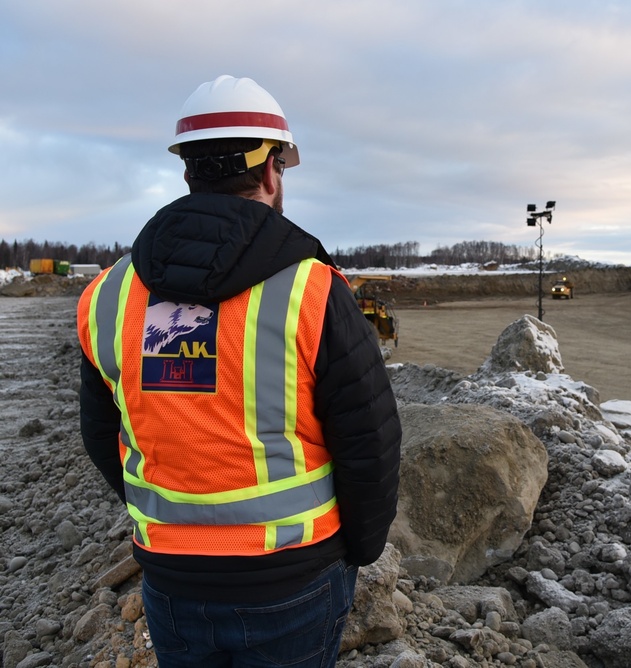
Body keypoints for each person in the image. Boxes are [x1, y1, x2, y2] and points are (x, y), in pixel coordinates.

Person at [76, 75, 401, 667]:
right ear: (272, 171)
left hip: (171, 581)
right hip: (293, 580)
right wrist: (360, 547)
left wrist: (169, 524)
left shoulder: (108, 295)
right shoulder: (312, 289)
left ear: (187, 172)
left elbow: (102, 433)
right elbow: (369, 440)